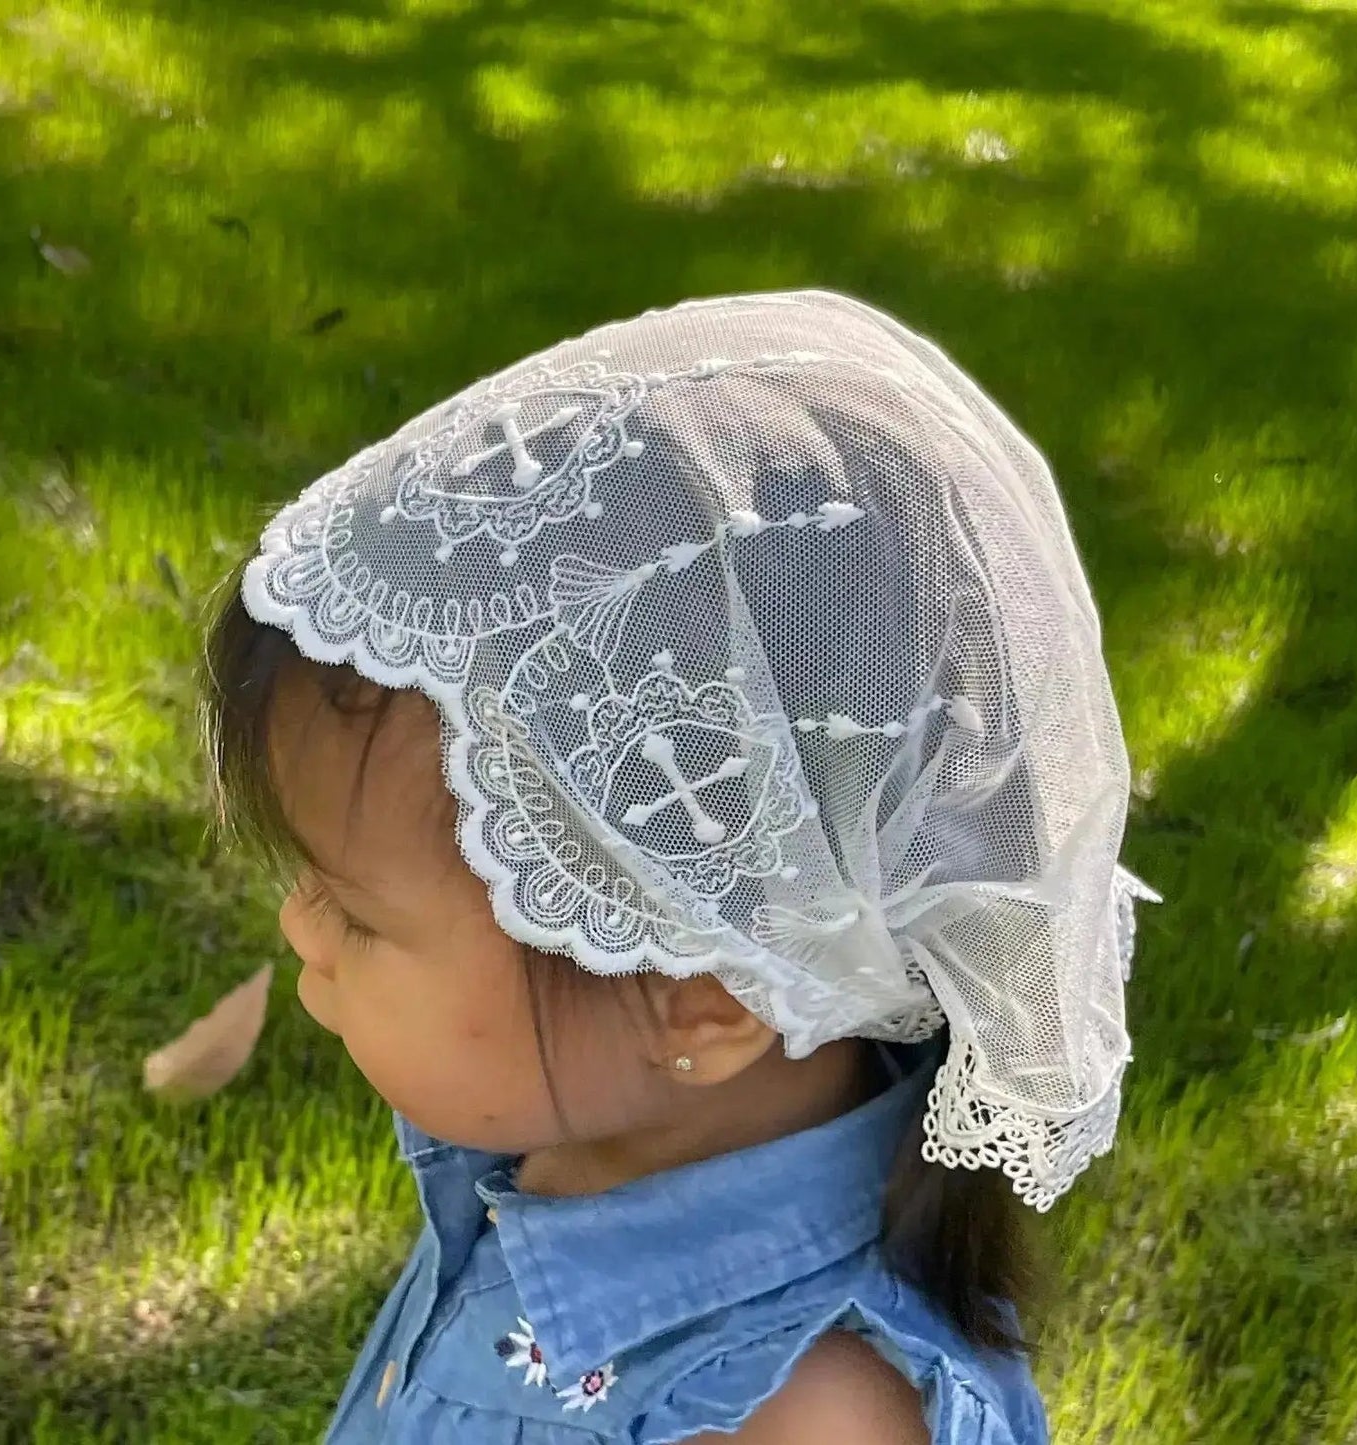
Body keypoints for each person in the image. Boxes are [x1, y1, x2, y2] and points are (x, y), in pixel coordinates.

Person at [200, 290, 1161, 1444]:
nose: (299, 927)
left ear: (704, 999)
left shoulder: (798, 1417)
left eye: (356, 913)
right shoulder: (568, 1138)